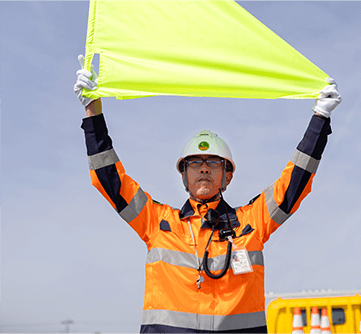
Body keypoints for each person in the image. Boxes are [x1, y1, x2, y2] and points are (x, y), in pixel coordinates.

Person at [74, 55, 341, 334]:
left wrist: (320, 118)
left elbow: (295, 182)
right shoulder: (157, 223)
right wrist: (93, 112)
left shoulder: (252, 223)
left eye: (213, 162)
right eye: (195, 163)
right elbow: (110, 180)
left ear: (227, 175)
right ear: (184, 176)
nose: (204, 170)